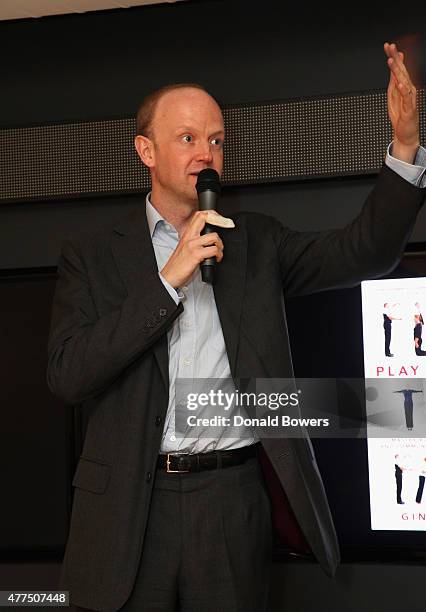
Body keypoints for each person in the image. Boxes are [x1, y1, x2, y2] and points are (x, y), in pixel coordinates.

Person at [47, 42, 426, 612]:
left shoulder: (256, 241)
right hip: (128, 504)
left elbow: (365, 253)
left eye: (217, 140)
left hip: (229, 499)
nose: (207, 153)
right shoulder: (93, 256)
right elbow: (68, 375)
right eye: (188, 138)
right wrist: (167, 282)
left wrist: (403, 146)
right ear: (145, 150)